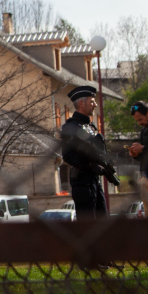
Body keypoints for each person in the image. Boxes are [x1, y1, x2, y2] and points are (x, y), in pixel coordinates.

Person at [59, 85, 114, 217]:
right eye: (92, 101)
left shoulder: (90, 126)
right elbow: (68, 155)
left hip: (94, 180)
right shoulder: (71, 127)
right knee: (88, 222)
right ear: (81, 103)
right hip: (82, 181)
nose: (95, 105)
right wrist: (89, 165)